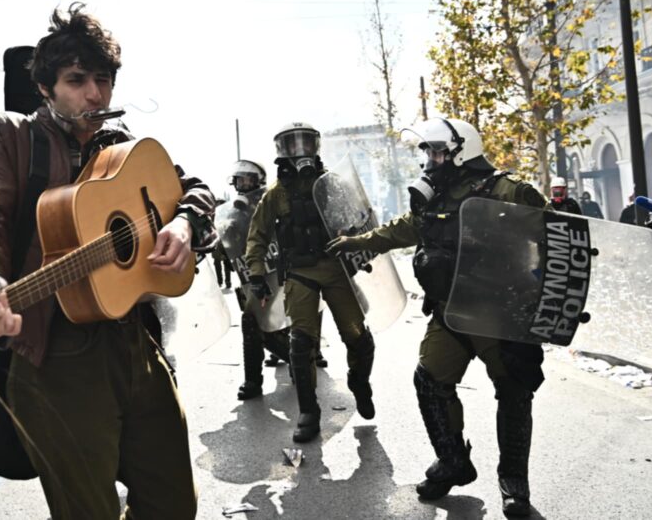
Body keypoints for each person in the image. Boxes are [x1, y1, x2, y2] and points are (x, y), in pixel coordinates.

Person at [0, 3, 216, 519]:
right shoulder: (11, 137)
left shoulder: (124, 146)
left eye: (104, 79)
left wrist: (184, 223)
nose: (95, 94)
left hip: (136, 343)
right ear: (46, 87)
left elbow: (194, 190)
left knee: (175, 505)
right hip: (55, 358)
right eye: (76, 80)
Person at [327, 118, 547, 517]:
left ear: (462, 150)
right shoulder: (436, 197)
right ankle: (453, 462)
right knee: (429, 381)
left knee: (514, 391)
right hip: (451, 312)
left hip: (499, 316)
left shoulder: (507, 190)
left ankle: (514, 483)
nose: (431, 159)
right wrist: (357, 242)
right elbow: (404, 229)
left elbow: (556, 236)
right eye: (427, 151)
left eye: (437, 151)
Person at [245, 122, 376, 444]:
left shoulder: (333, 184)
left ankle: (360, 382)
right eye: (292, 145)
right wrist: (256, 273)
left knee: (357, 336)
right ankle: (308, 412)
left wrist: (365, 249)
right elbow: (256, 237)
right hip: (300, 272)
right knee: (301, 343)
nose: (300, 150)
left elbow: (358, 218)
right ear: (282, 152)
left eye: (306, 142)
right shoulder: (276, 194)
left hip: (336, 269)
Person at [212, 159, 291, 401]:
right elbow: (227, 243)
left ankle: (301, 358)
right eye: (240, 179)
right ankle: (253, 380)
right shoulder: (231, 211)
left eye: (248, 179)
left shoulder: (273, 201)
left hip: (280, 268)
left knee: (290, 320)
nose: (244, 184)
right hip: (252, 273)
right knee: (251, 322)